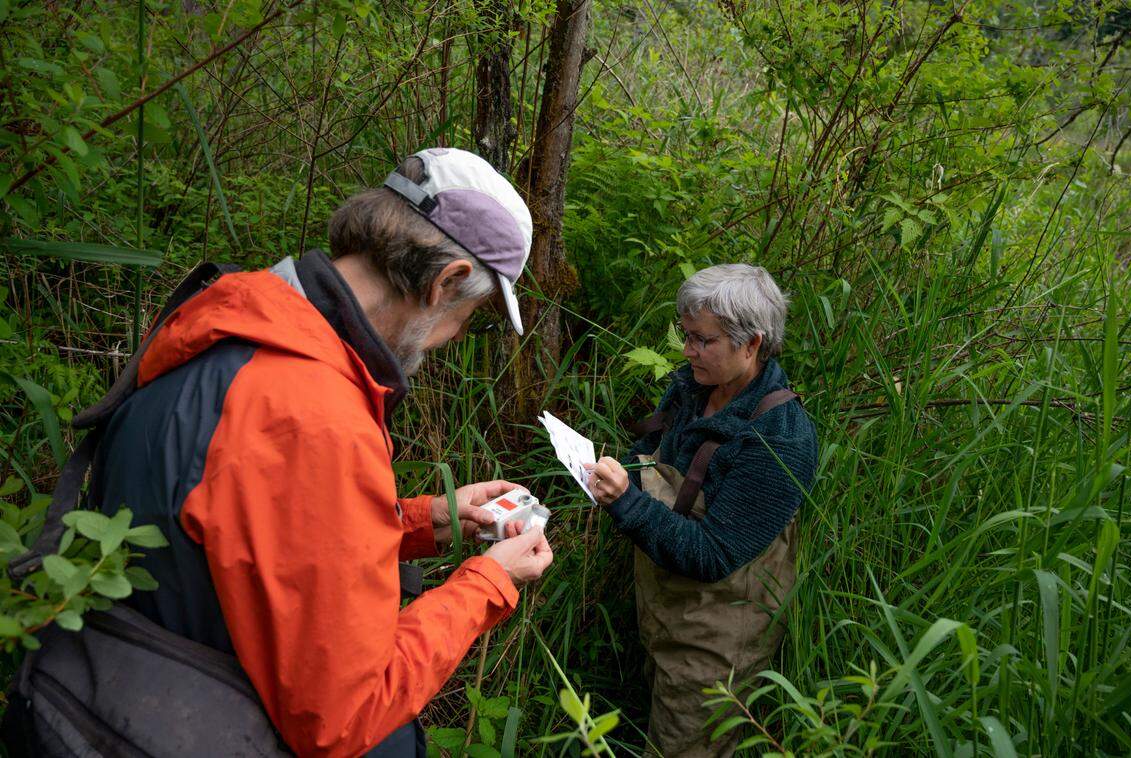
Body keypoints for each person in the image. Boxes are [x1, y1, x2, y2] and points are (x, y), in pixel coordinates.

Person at [86, 148, 554, 756]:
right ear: (447, 282)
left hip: (132, 677)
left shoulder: (235, 312)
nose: (456, 335)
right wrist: (489, 581)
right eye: (471, 316)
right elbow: (340, 720)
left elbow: (251, 522)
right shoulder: (316, 414)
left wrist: (425, 521)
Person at [587, 264, 818, 758]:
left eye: (702, 340)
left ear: (752, 344)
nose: (688, 351)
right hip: (662, 599)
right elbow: (656, 438)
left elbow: (713, 555)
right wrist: (616, 468)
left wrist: (627, 500)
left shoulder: (781, 438)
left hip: (717, 633)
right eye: (686, 335)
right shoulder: (695, 385)